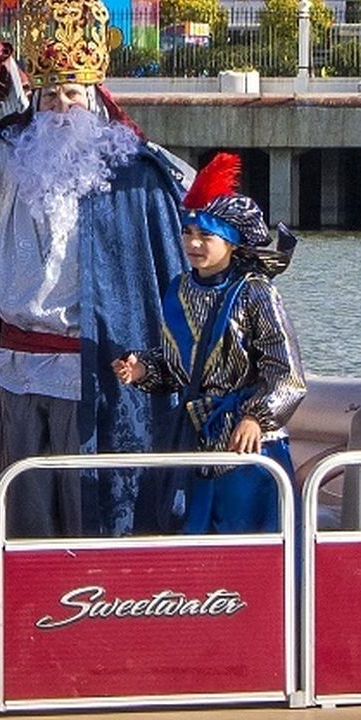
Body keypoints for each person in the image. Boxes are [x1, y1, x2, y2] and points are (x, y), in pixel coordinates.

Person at [0, 0, 186, 536]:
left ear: (94, 97)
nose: (58, 108)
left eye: (71, 94)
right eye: (48, 95)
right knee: (18, 518)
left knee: (88, 517)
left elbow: (207, 219)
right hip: (17, 371)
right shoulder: (7, 163)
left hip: (98, 377)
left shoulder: (135, 170)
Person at [113, 154, 305, 533]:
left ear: (232, 243)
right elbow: (176, 369)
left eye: (206, 236)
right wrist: (143, 369)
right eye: (188, 233)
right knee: (188, 535)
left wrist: (255, 418)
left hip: (248, 445)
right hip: (195, 439)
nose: (193, 243)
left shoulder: (255, 293)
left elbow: (286, 375)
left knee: (249, 542)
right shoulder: (179, 289)